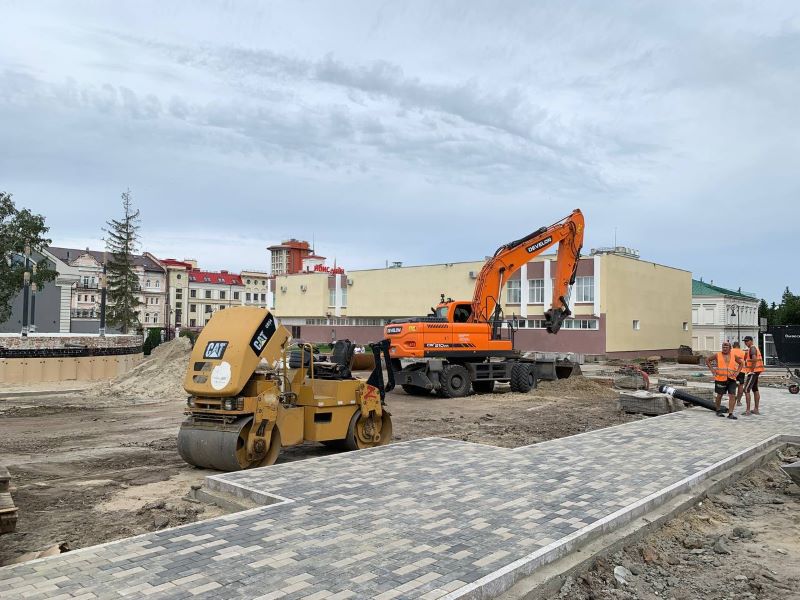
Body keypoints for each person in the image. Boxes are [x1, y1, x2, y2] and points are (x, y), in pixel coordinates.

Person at [705, 341, 744, 420]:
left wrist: (737, 372)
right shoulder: (717, 355)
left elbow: (741, 363)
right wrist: (712, 370)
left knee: (732, 395)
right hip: (720, 378)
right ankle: (718, 410)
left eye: (726, 347)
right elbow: (707, 360)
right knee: (719, 395)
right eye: (723, 347)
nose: (724, 349)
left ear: (730, 348)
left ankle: (730, 413)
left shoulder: (733, 355)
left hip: (731, 378)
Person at [742, 335, 765, 415]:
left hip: (753, 371)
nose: (745, 342)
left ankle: (748, 411)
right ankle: (756, 409)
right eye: (745, 341)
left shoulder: (752, 348)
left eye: (747, 341)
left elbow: (754, 359)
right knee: (755, 389)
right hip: (757, 371)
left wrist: (751, 370)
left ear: (751, 341)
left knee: (746, 390)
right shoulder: (753, 348)